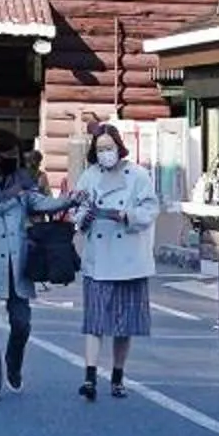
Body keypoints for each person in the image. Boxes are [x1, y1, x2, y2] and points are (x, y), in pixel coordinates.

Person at [0, 127, 62, 402]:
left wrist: (71, 200)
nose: (11, 160)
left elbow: (38, 202)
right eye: (6, 155)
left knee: (22, 323)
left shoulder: (21, 175)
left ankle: (14, 363)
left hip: (17, 258)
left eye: (15, 155)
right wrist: (12, 195)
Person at [68, 121, 160, 401]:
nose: (105, 153)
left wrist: (128, 216)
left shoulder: (138, 175)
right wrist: (86, 215)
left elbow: (150, 208)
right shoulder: (89, 176)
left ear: (119, 147)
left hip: (130, 259)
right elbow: (77, 214)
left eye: (109, 147)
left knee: (125, 323)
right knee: (94, 321)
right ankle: (90, 377)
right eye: (100, 149)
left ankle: (118, 376)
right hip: (99, 258)